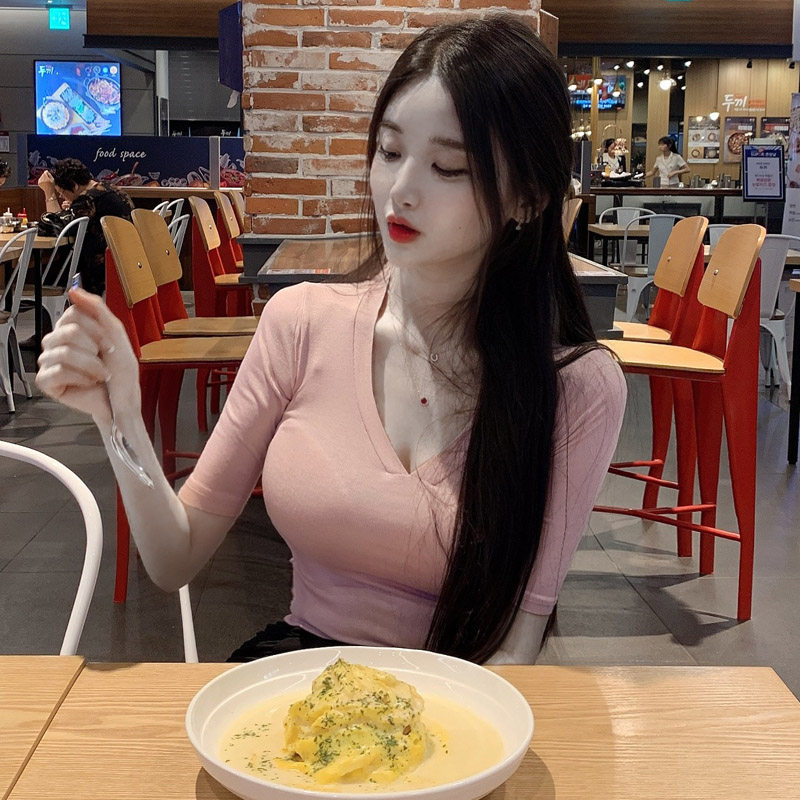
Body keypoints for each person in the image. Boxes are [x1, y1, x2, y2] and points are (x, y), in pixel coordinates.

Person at [35, 15, 626, 665]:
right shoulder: (301, 323)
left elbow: (517, 649)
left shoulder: (574, 386)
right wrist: (119, 417)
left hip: (460, 693)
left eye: (448, 167)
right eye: (390, 152)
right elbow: (175, 558)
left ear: (528, 198)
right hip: (304, 675)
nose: (400, 190)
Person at [37, 158, 133, 295]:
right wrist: (73, 207)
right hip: (127, 262)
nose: (63, 197)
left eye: (62, 193)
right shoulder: (110, 189)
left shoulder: (88, 199)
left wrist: (49, 194)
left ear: (74, 185)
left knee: (53, 272)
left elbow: (54, 227)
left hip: (103, 270)